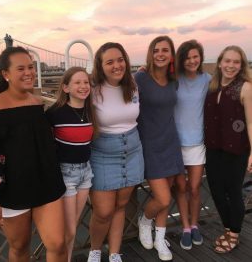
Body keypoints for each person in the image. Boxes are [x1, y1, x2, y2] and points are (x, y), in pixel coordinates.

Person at [0, 46, 67, 262]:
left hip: (46, 183)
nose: (29, 73)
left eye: (31, 67)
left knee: (58, 244)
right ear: (6, 74)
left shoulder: (36, 102)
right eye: (21, 68)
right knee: (20, 247)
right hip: (13, 190)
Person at [87, 42, 144, 262]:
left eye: (120, 59)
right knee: (103, 211)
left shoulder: (133, 84)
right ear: (100, 66)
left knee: (120, 206)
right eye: (109, 62)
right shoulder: (91, 88)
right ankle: (95, 250)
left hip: (132, 151)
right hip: (102, 154)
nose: (117, 65)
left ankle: (114, 253)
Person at [135, 36, 184, 261]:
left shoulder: (174, 79)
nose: (161, 54)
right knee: (163, 198)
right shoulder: (141, 78)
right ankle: (145, 221)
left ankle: (160, 238)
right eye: (156, 50)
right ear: (151, 54)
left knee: (169, 190)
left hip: (171, 142)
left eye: (165, 50)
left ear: (171, 54)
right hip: (150, 144)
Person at [45, 67, 98, 262]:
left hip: (86, 171)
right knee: (68, 229)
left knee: (73, 226)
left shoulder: (90, 109)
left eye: (86, 82)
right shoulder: (55, 113)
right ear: (66, 88)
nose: (83, 86)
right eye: (77, 82)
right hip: (66, 173)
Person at [204, 45, 252, 253]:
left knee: (233, 192)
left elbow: (251, 123)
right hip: (214, 147)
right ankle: (227, 228)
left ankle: (234, 234)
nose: (231, 66)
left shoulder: (246, 87)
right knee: (216, 191)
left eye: (236, 62)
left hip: (237, 149)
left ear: (241, 65)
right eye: (227, 61)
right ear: (220, 62)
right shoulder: (212, 85)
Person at [174, 40, 211, 250]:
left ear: (201, 57)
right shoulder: (173, 79)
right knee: (180, 187)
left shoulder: (207, 79)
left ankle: (195, 224)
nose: (192, 61)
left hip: (198, 142)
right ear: (181, 59)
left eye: (195, 56)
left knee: (195, 188)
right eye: (187, 57)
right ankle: (186, 227)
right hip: (175, 143)